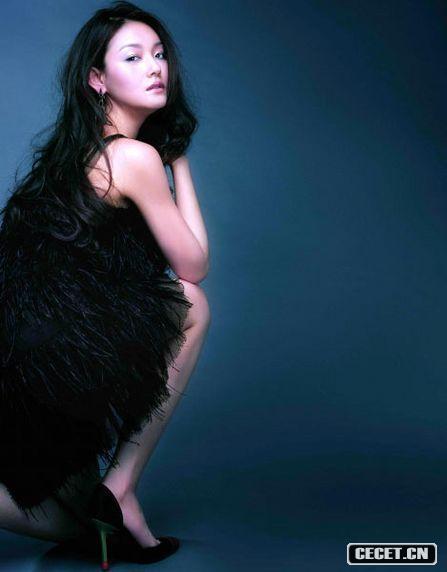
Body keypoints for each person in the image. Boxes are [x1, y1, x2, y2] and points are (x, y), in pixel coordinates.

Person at [0, 1, 210, 567]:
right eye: (133, 57)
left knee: (74, 520)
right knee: (191, 303)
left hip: (26, 362)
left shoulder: (70, 155)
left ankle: (112, 505)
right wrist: (180, 162)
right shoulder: (134, 157)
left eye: (159, 54)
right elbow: (193, 265)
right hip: (60, 359)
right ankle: (122, 484)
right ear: (97, 79)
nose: (155, 67)